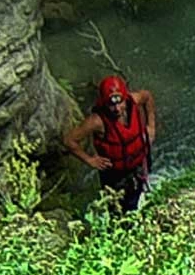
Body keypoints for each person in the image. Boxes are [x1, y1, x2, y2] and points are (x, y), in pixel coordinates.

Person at [64, 75, 157, 213]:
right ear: (104, 103)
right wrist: (90, 160)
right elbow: (69, 140)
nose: (117, 109)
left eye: (120, 103)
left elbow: (147, 97)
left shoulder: (134, 100)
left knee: (136, 196)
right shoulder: (97, 121)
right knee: (117, 210)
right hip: (115, 174)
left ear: (125, 98)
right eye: (111, 105)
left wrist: (151, 126)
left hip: (138, 163)